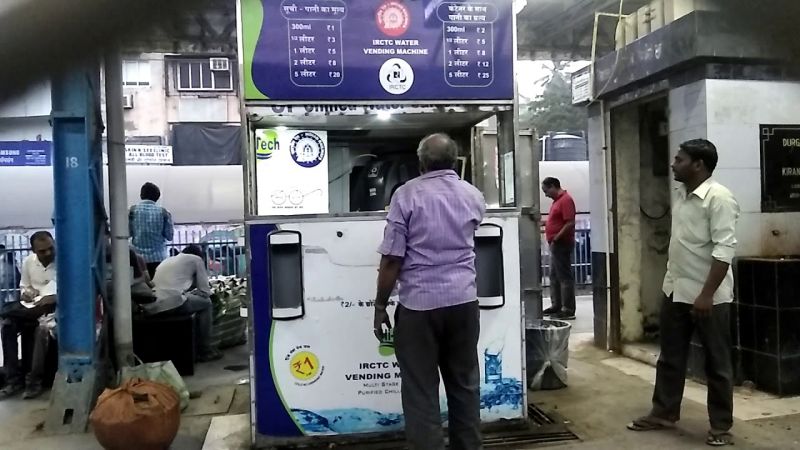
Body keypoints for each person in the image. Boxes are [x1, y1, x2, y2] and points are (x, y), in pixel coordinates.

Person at [373, 133, 486, 450]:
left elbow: (393, 258)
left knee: (420, 389)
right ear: (454, 160)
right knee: (465, 385)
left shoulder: (406, 195)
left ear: (421, 162)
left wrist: (381, 306)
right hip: (464, 302)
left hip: (419, 307)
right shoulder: (473, 195)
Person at [627, 139, 739, 447]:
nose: (674, 164)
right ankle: (664, 411)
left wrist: (706, 295)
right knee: (671, 357)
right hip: (676, 289)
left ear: (698, 165)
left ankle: (720, 427)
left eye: (680, 159)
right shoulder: (681, 194)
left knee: (717, 363)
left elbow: (724, 250)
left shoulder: (719, 198)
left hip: (709, 296)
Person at [0, 231, 57, 399]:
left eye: (50, 249)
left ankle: (34, 381)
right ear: (34, 251)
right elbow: (24, 285)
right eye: (42, 251)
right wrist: (27, 292)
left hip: (53, 309)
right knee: (7, 326)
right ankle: (13, 379)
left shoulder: (62, 261)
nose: (47, 253)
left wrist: (54, 297)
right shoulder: (28, 263)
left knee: (42, 330)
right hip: (33, 305)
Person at [144, 245, 221, 362]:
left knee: (188, 299)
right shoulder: (196, 259)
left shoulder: (167, 260)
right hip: (172, 302)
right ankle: (205, 350)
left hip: (152, 303)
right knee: (206, 303)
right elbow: (205, 292)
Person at [541, 177, 577, 320]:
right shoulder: (557, 202)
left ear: (553, 186)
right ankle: (557, 305)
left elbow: (570, 223)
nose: (546, 194)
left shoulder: (566, 200)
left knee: (564, 277)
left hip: (562, 243)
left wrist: (557, 236)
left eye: (546, 191)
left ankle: (568, 309)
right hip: (556, 243)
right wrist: (545, 223)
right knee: (554, 276)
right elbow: (558, 221)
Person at [130, 182, 174, 278]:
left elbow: (127, 233)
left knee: (142, 290)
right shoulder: (164, 212)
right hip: (159, 259)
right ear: (157, 197)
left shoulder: (132, 211)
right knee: (158, 288)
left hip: (138, 259)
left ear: (141, 195)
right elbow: (169, 236)